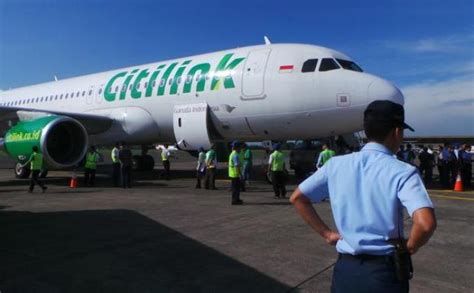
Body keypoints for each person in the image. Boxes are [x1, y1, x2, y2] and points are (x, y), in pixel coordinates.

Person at [290, 100, 436, 292]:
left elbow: (298, 198)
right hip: (384, 272)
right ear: (397, 132)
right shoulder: (403, 171)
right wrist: (410, 247)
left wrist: (327, 234)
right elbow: (425, 224)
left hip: (345, 270)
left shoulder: (335, 165)